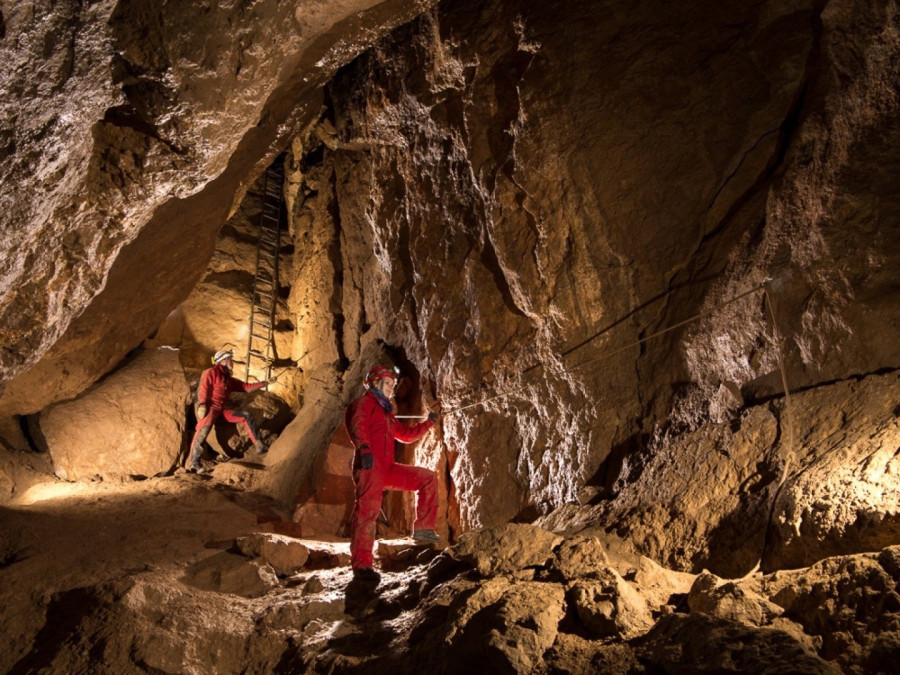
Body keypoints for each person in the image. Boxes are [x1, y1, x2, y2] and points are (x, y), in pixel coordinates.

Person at [345, 364, 440, 583]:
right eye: (387, 383)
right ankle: (362, 566)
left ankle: (423, 530)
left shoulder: (386, 412)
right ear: (375, 383)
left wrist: (428, 423)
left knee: (427, 479)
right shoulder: (364, 403)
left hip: (387, 467)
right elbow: (358, 424)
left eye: (392, 384)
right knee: (367, 513)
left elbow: (406, 434)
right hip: (370, 466)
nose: (391, 388)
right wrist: (364, 448)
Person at [186, 349, 274, 473]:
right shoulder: (211, 372)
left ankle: (260, 445)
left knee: (245, 416)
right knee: (202, 431)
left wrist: (265, 383)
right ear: (223, 360)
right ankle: (194, 463)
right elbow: (204, 388)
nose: (232, 361)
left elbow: (246, 387)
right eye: (230, 359)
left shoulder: (228, 379)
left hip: (221, 411)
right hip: (210, 409)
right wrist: (203, 405)